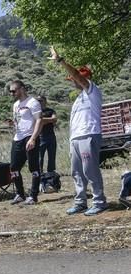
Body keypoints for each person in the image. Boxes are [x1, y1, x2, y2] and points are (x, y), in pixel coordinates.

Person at [50, 47, 107, 215]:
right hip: (76, 138)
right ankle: (81, 202)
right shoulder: (78, 99)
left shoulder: (92, 90)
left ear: (85, 77)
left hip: (89, 135)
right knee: (77, 172)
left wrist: (60, 61)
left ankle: (99, 202)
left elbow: (77, 75)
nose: (72, 81)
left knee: (90, 170)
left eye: (74, 79)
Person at [9, 80, 43, 205]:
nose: (11, 93)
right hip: (18, 137)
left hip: (29, 136)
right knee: (13, 167)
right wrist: (12, 124)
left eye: (14, 91)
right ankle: (20, 194)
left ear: (22, 89)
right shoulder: (15, 104)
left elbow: (39, 120)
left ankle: (33, 196)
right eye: (10, 91)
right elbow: (19, 120)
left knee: (33, 167)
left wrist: (33, 138)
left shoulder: (32, 102)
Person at [37, 95, 58, 173]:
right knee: (39, 157)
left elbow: (54, 119)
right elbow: (35, 121)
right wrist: (48, 120)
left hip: (51, 136)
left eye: (41, 100)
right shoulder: (36, 112)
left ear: (45, 101)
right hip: (40, 136)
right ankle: (40, 172)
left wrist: (41, 120)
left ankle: (51, 172)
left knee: (52, 156)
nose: (39, 102)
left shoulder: (51, 111)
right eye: (38, 100)